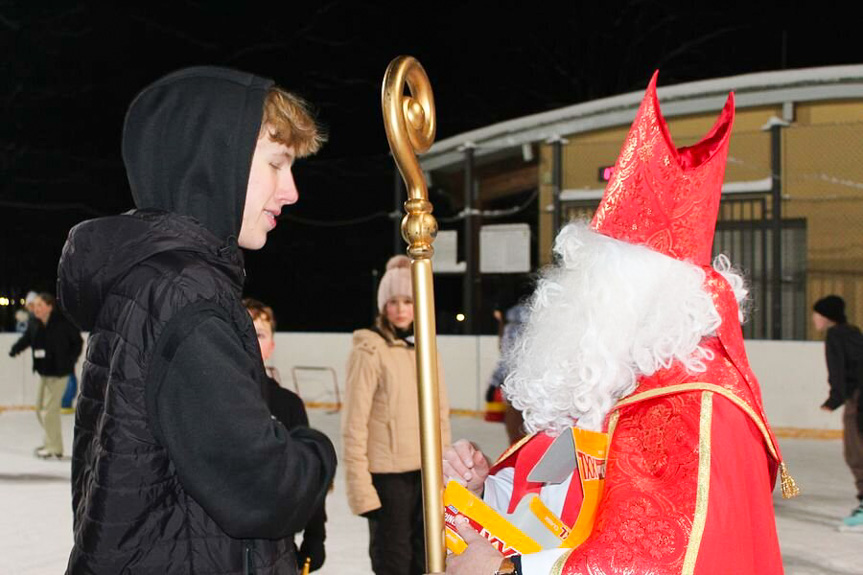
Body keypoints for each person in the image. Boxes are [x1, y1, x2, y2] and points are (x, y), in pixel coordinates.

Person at [443, 72, 795, 574]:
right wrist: (483, 489)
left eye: (591, 286)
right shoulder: (616, 379)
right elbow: (556, 499)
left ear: (633, 298)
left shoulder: (696, 405)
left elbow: (658, 558)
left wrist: (510, 569)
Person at [56, 66, 337, 574]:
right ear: (215, 165)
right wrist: (314, 447)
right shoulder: (186, 294)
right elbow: (264, 488)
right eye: (277, 164)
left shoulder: (153, 282)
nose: (291, 191)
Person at [342, 254, 452, 575]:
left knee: (427, 556)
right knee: (394, 559)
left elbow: (440, 416)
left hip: (426, 474)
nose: (401, 309)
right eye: (393, 302)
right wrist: (360, 487)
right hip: (388, 479)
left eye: (408, 300)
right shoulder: (370, 350)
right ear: (382, 307)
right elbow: (354, 423)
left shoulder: (426, 350)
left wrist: (445, 472)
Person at [244, 297, 328, 570]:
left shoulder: (288, 404)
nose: (252, 340)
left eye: (260, 334)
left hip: (277, 544)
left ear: (271, 345)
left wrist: (316, 535)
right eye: (244, 330)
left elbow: (308, 473)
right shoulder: (211, 400)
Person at [9, 292, 82, 459]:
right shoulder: (35, 323)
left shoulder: (62, 323)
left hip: (60, 372)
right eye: (35, 306)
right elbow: (27, 339)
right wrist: (15, 349)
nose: (36, 308)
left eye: (40, 305)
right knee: (39, 409)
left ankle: (54, 448)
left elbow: (77, 342)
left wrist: (70, 361)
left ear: (49, 307)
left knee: (49, 411)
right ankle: (50, 441)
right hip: (44, 371)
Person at [812, 295, 863, 531]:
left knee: (855, 451)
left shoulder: (835, 336)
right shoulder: (853, 332)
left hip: (858, 398)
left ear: (826, 316)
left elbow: (838, 370)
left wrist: (834, 399)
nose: (814, 319)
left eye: (817, 314)